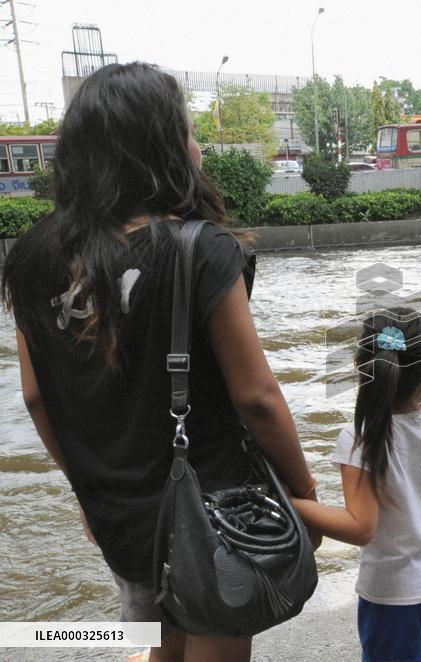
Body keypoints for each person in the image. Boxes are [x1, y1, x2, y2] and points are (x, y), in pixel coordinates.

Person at [1, 62, 319, 661]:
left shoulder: (31, 256)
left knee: (153, 641)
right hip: (212, 513)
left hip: (116, 512)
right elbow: (256, 396)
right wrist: (304, 495)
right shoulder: (201, 249)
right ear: (160, 148)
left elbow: (37, 396)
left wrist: (87, 490)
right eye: (187, 130)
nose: (195, 144)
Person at [292, 308, 421, 662]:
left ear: (359, 363)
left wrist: (293, 503)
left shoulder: (359, 438)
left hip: (397, 593)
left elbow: (361, 528)